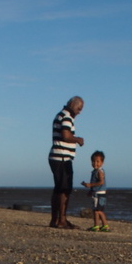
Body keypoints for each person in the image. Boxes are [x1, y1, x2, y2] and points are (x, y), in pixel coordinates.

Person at [48, 96, 85, 228]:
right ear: (73, 104)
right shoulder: (67, 116)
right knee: (64, 190)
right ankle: (62, 220)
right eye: (79, 108)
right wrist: (78, 140)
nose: (80, 111)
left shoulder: (60, 115)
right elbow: (66, 135)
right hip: (62, 157)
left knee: (58, 189)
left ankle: (55, 220)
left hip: (56, 156)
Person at [82, 150, 108, 231]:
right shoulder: (95, 171)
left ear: (102, 162)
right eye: (93, 161)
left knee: (98, 210)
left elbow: (101, 182)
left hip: (99, 193)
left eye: (97, 161)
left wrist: (90, 185)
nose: (95, 163)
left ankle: (104, 225)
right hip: (96, 193)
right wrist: (90, 191)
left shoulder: (99, 171)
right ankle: (97, 225)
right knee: (96, 210)